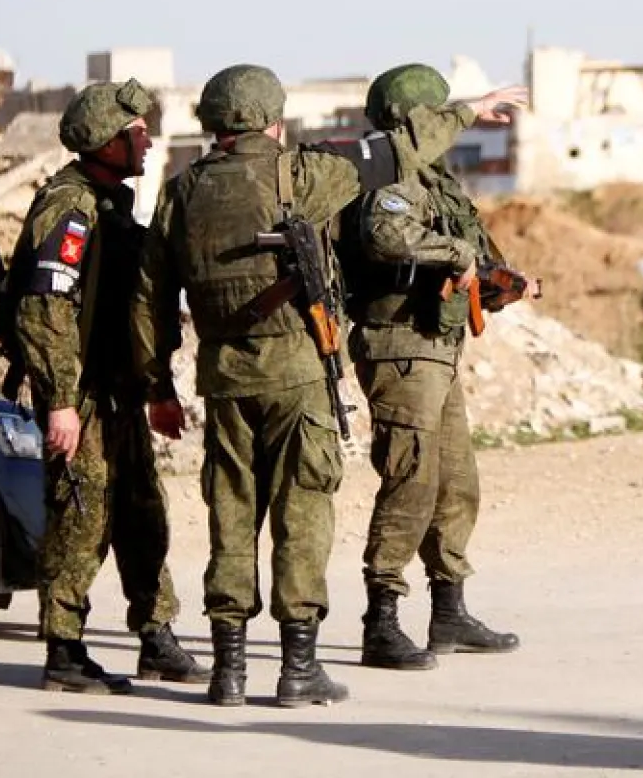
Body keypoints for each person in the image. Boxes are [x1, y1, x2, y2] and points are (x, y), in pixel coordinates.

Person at [129, 63, 523, 708]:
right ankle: (297, 668)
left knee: (231, 514)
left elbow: (148, 297)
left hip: (223, 379)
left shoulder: (182, 191)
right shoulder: (303, 174)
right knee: (302, 511)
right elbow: (400, 148)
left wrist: (158, 386)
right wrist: (467, 112)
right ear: (274, 119)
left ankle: (228, 671)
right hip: (297, 374)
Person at [11, 79, 208, 695]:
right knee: (80, 517)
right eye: (136, 130)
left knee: (142, 513)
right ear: (105, 141)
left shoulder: (112, 204)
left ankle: (156, 635)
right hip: (83, 396)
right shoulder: (67, 207)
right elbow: (45, 311)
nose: (147, 138)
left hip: (118, 392)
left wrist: (154, 388)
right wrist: (62, 403)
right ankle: (64, 650)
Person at [338, 64, 531, 672]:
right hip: (399, 345)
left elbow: (471, 262)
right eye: (439, 113)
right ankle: (382, 620)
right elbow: (387, 238)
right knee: (411, 482)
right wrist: (460, 255)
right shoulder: (387, 175)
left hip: (437, 345)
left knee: (455, 484)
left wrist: (506, 283)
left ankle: (448, 610)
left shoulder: (434, 179)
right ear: (413, 119)